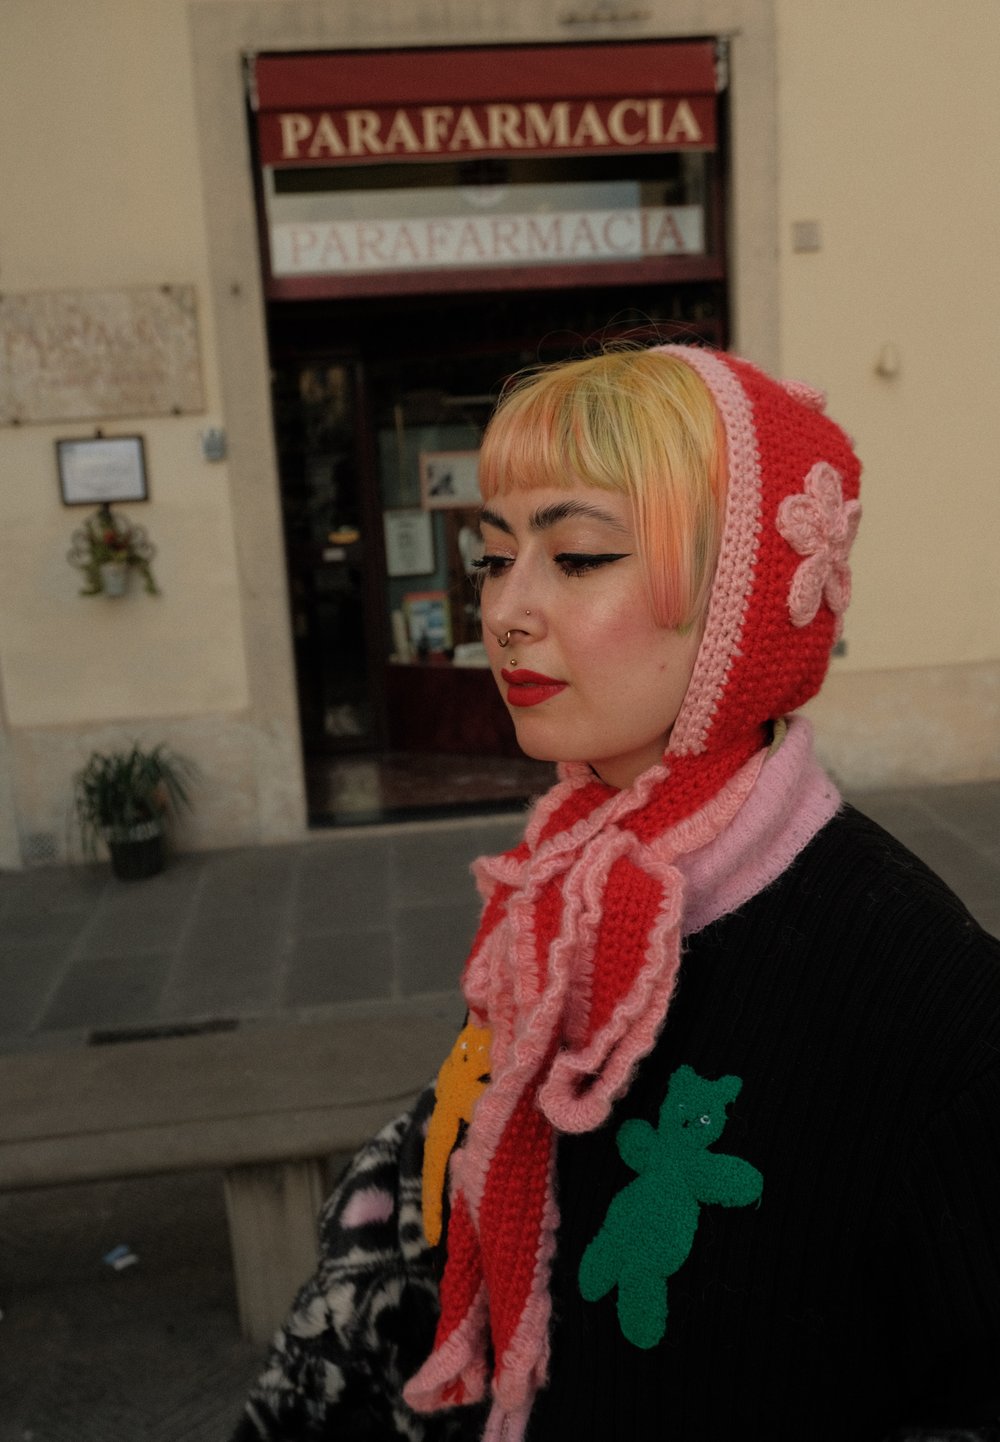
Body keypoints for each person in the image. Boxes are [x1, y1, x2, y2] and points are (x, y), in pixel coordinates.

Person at [232, 344, 1000, 1442]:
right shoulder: (567, 890)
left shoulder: (931, 1004)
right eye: (494, 556)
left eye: (579, 555)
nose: (506, 610)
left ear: (741, 600)